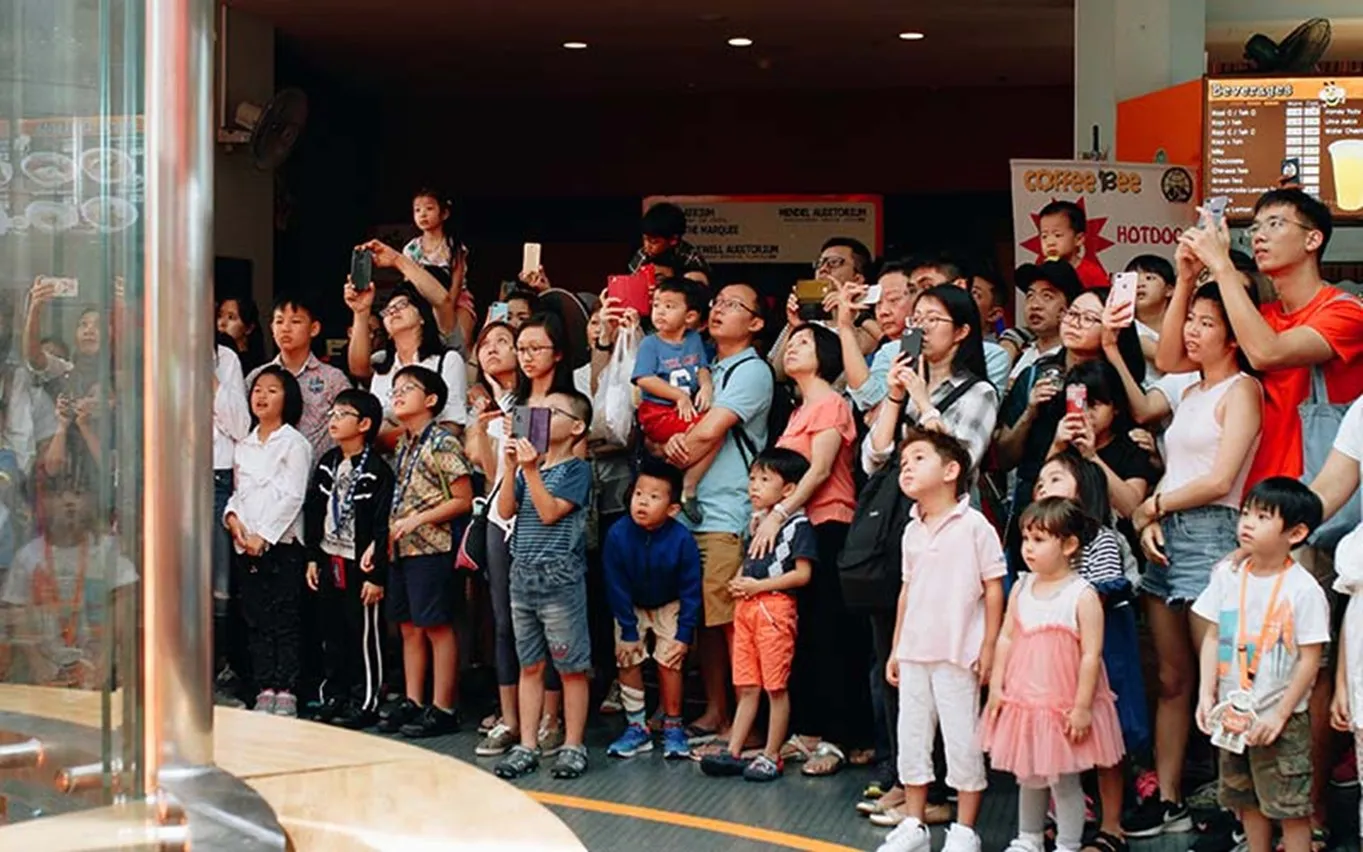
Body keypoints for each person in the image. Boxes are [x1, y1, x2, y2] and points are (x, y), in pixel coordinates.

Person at [1123, 282, 1262, 838]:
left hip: (1215, 534)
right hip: (1168, 531)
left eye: (1206, 322)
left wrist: (1151, 505)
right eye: (1192, 320)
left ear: (1232, 335)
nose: (1191, 330)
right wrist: (1154, 514)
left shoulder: (1242, 389)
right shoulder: (1188, 391)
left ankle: (1237, 810)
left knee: (1228, 677)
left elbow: (1221, 479)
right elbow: (1180, 471)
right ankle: (1170, 797)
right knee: (1174, 677)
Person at [875, 431, 1003, 852]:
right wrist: (895, 647)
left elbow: (993, 587)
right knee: (911, 737)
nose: (906, 466)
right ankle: (914, 824)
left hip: (957, 652)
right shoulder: (912, 530)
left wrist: (988, 647)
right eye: (903, 461)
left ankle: (965, 830)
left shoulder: (974, 526)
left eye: (918, 457)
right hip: (914, 652)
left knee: (962, 739)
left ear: (951, 471)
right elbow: (906, 592)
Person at [980, 497, 1125, 852]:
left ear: (1069, 544)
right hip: (1025, 700)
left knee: (1064, 780)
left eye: (1039, 540)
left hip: (1062, 703)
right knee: (1028, 775)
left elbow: (1091, 655)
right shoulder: (1022, 586)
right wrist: (997, 686)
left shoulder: (1082, 594)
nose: (1028, 549)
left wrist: (1082, 706)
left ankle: (1068, 843)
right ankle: (1028, 838)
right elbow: (1006, 637)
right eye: (1026, 539)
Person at [1193, 478, 1330, 852]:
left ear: (1296, 532)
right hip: (1233, 712)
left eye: (1263, 516)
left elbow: (1310, 659)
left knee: (1290, 808)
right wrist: (1206, 695)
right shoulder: (1228, 574)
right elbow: (1212, 636)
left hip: (1279, 719)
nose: (1247, 523)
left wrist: (1280, 716)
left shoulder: (1303, 589)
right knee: (1244, 801)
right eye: (1246, 513)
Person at [662, 283, 771, 745]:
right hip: (692, 513)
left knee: (730, 624)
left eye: (733, 305)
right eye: (718, 303)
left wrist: (669, 453)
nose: (720, 309)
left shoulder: (752, 370)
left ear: (757, 323)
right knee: (704, 620)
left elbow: (710, 431)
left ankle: (742, 725)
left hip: (727, 512)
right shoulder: (707, 367)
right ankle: (715, 711)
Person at [758, 321, 867, 776]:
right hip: (798, 528)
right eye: (791, 342)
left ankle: (841, 738)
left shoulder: (831, 404)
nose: (792, 349)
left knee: (830, 636)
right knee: (802, 636)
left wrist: (778, 514)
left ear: (825, 354)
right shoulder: (798, 409)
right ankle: (809, 731)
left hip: (827, 526)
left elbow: (820, 471)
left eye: (803, 343)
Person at [1033, 450, 1148, 852]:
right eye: (1041, 482)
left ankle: (1111, 825)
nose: (1045, 487)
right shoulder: (1039, 544)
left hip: (1101, 655)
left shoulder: (1101, 538)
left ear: (1087, 486)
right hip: (1055, 656)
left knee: (1105, 739)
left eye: (1057, 479)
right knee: (1059, 736)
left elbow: (1104, 589)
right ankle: (1061, 818)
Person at [494, 390, 595, 781]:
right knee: (530, 665)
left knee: (571, 667)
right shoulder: (525, 468)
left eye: (553, 412)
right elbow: (505, 511)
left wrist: (530, 470)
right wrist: (509, 468)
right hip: (523, 573)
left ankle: (572, 744)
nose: (541, 417)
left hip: (560, 575)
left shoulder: (576, 470)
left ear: (577, 427)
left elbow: (551, 512)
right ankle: (528, 744)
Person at [698, 448, 814, 782]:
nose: (755, 486)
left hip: (774, 606)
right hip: (747, 606)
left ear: (789, 490)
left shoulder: (797, 525)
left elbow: (802, 575)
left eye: (765, 480)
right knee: (747, 683)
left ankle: (771, 754)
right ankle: (734, 750)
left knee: (775, 686)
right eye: (752, 478)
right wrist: (739, 581)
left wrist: (759, 586)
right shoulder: (754, 521)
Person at [373, 366, 473, 739]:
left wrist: (418, 520)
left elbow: (463, 500)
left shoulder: (442, 442)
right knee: (409, 627)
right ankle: (414, 700)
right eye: (395, 389)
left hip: (433, 546)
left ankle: (444, 706)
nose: (397, 394)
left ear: (430, 400)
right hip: (402, 546)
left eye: (408, 389)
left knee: (436, 625)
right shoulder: (404, 443)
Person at [223, 366, 313, 716]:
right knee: (256, 618)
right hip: (245, 545)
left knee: (286, 618)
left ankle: (287, 688)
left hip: (283, 544)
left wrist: (265, 536)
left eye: (272, 390)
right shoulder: (243, 444)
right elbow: (238, 493)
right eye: (257, 389)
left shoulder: (294, 442)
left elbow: (293, 496)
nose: (261, 396)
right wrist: (233, 522)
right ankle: (264, 686)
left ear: (288, 398)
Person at [302, 389, 395, 729]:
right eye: (333, 413)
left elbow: (383, 523)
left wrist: (377, 576)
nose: (334, 420)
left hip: (361, 564)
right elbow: (314, 510)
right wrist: (313, 556)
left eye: (343, 414)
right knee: (332, 630)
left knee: (364, 633)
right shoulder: (327, 461)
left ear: (365, 424)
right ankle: (335, 694)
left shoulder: (376, 470)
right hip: (329, 557)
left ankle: (365, 698)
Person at [602, 460, 701, 762]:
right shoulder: (618, 534)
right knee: (627, 656)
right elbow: (615, 585)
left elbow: (691, 589)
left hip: (669, 602)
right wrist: (629, 631)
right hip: (630, 605)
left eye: (654, 497)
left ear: (673, 509)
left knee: (670, 659)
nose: (642, 501)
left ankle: (673, 725)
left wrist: (684, 634)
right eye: (638, 493)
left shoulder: (682, 539)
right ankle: (636, 727)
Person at [1, 475, 136, 688]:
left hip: (99, 674)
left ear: (92, 502)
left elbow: (124, 604)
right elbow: (16, 613)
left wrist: (104, 659)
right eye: (57, 495)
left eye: (78, 494)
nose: (69, 501)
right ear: (41, 505)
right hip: (46, 675)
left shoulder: (108, 550)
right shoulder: (27, 557)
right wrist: (37, 663)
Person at [863, 284, 998, 473]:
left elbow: (961, 464)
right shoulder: (906, 385)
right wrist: (894, 397)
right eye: (916, 319)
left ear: (961, 331)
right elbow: (872, 461)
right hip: (897, 499)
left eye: (933, 319)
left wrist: (924, 404)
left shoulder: (980, 392)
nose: (921, 328)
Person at [344, 283, 468, 450]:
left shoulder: (447, 360)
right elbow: (375, 431)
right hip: (389, 463)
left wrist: (401, 435)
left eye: (402, 305)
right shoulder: (382, 368)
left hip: (432, 460)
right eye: (388, 311)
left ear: (422, 317)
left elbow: (453, 424)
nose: (393, 311)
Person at [631, 280, 713, 515]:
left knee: (715, 429)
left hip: (683, 411)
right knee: (711, 430)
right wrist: (678, 396)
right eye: (656, 305)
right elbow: (644, 378)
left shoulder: (693, 340)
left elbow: (702, 368)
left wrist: (706, 386)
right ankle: (686, 487)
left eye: (669, 306)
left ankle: (684, 485)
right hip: (657, 411)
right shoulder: (650, 343)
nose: (660, 311)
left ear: (690, 317)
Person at [366, 188, 476, 352]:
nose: (422, 214)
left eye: (429, 209)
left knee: (462, 340)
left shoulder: (454, 246)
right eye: (417, 210)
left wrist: (448, 306)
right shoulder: (411, 248)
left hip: (456, 298)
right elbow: (408, 282)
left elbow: (457, 279)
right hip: (421, 301)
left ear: (444, 214)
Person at [245, 294, 353, 460]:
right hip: (268, 476)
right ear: (272, 328)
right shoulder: (257, 377)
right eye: (279, 321)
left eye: (295, 321)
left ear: (314, 328)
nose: (285, 328)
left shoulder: (333, 379)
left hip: (317, 478)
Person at [899, 253, 1012, 393]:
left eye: (928, 287)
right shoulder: (895, 351)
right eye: (911, 291)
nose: (919, 297)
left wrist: (921, 400)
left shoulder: (991, 357)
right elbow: (868, 407)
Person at [770, 237, 880, 377]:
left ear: (857, 279)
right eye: (820, 263)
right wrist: (795, 327)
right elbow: (776, 374)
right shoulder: (803, 320)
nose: (823, 269)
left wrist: (849, 313)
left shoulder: (868, 326)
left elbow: (844, 376)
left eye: (834, 262)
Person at [212, 337, 251, 704]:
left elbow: (240, 426)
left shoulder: (224, 358)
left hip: (215, 476)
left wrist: (206, 376)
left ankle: (222, 671)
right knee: (173, 582)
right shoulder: (151, 348)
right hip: (165, 474)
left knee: (221, 584)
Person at [840, 260, 916, 416]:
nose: (883, 311)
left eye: (894, 300)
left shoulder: (912, 342)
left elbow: (868, 396)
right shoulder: (886, 350)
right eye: (878, 303)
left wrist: (845, 326)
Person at [1008, 260, 1083, 385]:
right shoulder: (1018, 351)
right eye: (1030, 296)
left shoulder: (1074, 360)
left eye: (1047, 296)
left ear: (1069, 308)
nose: (1035, 305)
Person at [628, 201, 711, 286]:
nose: (647, 246)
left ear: (673, 240)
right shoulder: (642, 255)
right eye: (645, 239)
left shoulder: (691, 258)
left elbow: (703, 289)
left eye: (654, 242)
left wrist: (673, 276)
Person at [1036, 200, 1107, 290]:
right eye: (1044, 236)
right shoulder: (1041, 272)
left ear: (1079, 239)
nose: (1050, 242)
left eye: (1058, 235)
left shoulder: (1092, 273)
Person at [1125, 254, 1176, 375]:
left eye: (1149, 278)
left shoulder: (1184, 324)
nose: (1139, 284)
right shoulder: (1124, 327)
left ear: (1169, 290)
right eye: (1134, 279)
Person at [217, 294, 266, 375]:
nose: (221, 323)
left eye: (231, 317)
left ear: (249, 328)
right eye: (219, 316)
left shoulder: (253, 369)